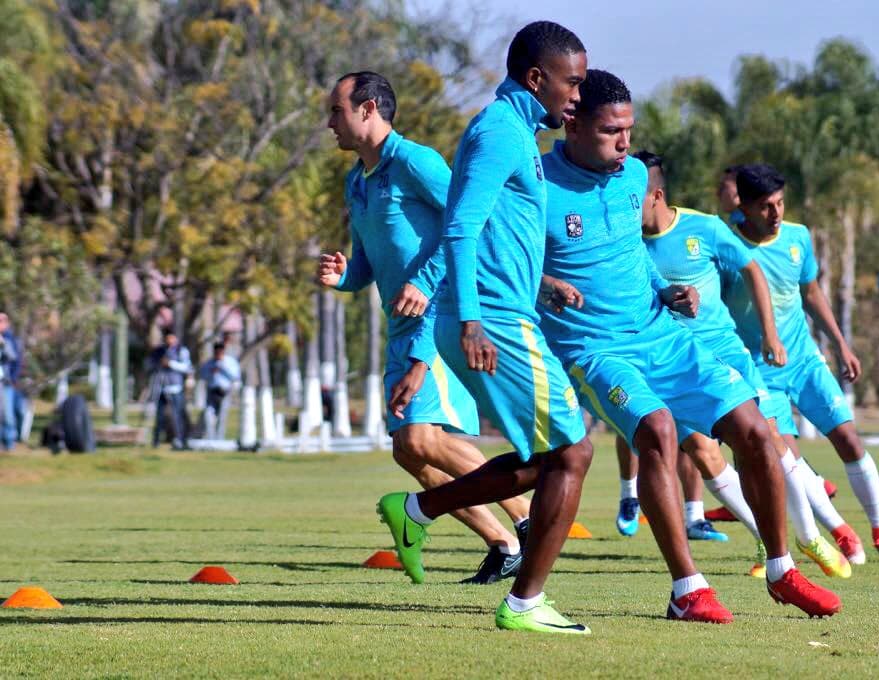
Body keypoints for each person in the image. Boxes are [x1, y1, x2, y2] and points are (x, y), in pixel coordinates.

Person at [538, 70, 840, 619]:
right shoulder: (534, 184)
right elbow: (500, 263)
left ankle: (782, 570)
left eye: (629, 129)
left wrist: (666, 290)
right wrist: (544, 286)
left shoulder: (633, 177)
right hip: (593, 348)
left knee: (755, 431)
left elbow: (632, 258)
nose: (625, 142)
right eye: (611, 131)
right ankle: (688, 590)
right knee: (658, 431)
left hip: (662, 332)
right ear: (573, 122)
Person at [374, 21, 597, 634]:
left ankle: (417, 509)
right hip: (492, 320)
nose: (577, 95)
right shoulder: (500, 131)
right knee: (572, 452)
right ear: (536, 79)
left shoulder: (516, 132)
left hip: (505, 312)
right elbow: (460, 227)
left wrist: (543, 286)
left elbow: (503, 231)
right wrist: (471, 320)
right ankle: (525, 603)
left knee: (546, 458)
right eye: (571, 83)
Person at [318, 70, 532, 584]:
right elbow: (370, 264)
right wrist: (345, 275)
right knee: (409, 450)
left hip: (437, 318)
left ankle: (529, 519)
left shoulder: (416, 161)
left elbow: (468, 226)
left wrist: (428, 280)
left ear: (367, 109)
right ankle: (503, 544)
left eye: (335, 111)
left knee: (420, 436)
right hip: (400, 326)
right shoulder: (356, 181)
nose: (329, 123)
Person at [625, 149, 852, 579]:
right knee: (701, 453)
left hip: (725, 354)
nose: (622, 206)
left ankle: (809, 536)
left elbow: (752, 269)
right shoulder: (625, 242)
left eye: (630, 197)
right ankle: (770, 541)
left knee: (766, 438)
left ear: (654, 195)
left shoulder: (703, 227)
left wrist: (769, 333)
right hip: (671, 363)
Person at [723, 164, 879, 564]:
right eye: (766, 206)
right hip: (757, 373)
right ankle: (840, 531)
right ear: (745, 206)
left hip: (805, 361)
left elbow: (810, 291)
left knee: (849, 439)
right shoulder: (726, 246)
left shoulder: (798, 237)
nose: (776, 213)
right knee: (786, 459)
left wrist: (841, 344)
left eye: (780, 203)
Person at [148, 329, 192, 450]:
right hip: (161, 387)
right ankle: (156, 441)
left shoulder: (181, 350)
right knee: (159, 416)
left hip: (175, 388)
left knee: (177, 416)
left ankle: (180, 440)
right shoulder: (160, 351)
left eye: (172, 338)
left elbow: (187, 367)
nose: (170, 341)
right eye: (167, 338)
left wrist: (171, 364)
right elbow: (150, 364)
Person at [198, 342, 240, 439]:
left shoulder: (230, 362)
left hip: (224, 392)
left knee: (222, 417)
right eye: (216, 352)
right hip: (212, 392)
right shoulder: (209, 363)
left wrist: (223, 368)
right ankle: (211, 438)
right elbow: (203, 376)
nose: (218, 354)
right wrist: (211, 372)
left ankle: (219, 439)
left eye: (220, 352)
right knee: (208, 415)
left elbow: (235, 376)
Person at [0, 312, 23, 450]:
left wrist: (3, 345)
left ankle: (9, 443)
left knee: (8, 414)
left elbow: (15, 359)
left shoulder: (10, 339)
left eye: (2, 320)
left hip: (6, 382)